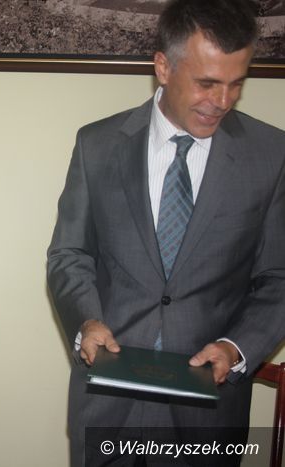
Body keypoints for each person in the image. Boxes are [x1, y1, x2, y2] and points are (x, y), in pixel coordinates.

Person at [47, 0, 285, 465]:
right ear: (163, 67)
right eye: (207, 83)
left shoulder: (271, 155)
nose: (223, 101)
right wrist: (86, 322)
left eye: (237, 83)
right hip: (107, 406)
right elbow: (70, 254)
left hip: (207, 415)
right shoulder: (97, 145)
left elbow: (278, 277)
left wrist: (236, 348)